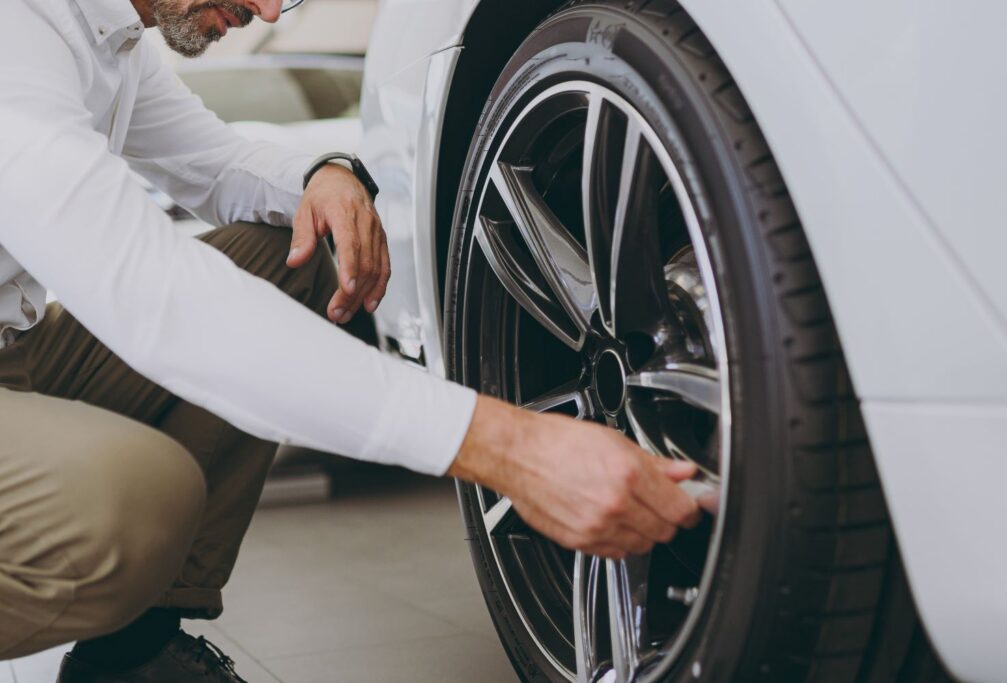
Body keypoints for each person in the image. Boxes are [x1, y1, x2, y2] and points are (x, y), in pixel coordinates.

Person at [0, 0, 702, 680]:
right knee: (135, 503)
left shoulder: (113, 39)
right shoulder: (20, 30)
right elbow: (155, 296)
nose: (272, 13)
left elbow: (215, 163)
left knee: (286, 257)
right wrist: (507, 446)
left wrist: (324, 173)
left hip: (21, 352)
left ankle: (132, 659)